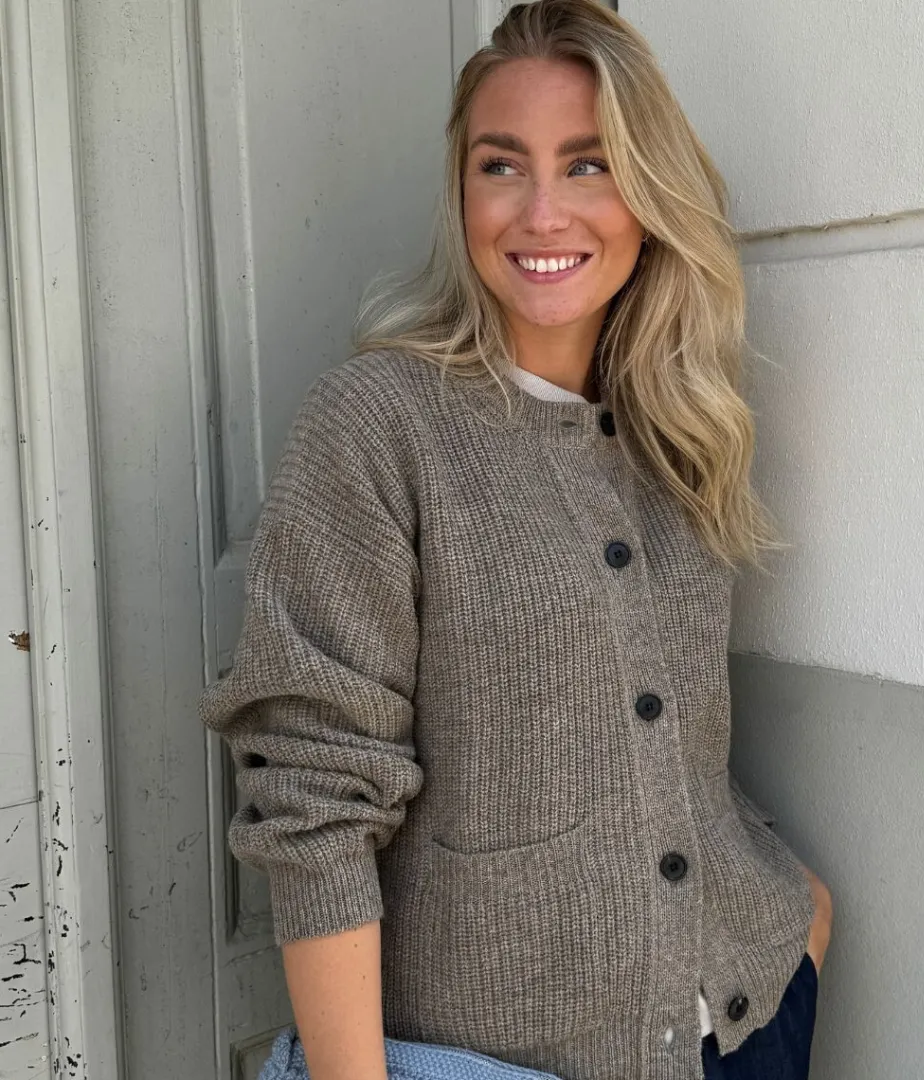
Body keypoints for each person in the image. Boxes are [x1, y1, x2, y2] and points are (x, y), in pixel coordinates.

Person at [200, 2, 833, 1078]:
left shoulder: (673, 434)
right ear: (462, 194)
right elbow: (314, 803)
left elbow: (676, 745)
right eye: (502, 166)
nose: (543, 212)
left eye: (588, 165)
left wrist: (803, 919)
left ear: (647, 194)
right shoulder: (378, 426)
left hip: (736, 1036)